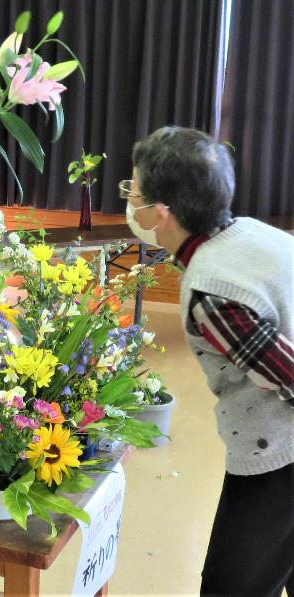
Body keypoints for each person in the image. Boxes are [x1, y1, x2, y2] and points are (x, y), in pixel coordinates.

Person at [122, 126, 294, 596]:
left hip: (281, 454)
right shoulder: (250, 232)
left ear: (159, 213)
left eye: (132, 193)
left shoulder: (214, 292)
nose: (129, 202)